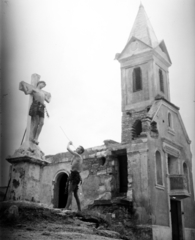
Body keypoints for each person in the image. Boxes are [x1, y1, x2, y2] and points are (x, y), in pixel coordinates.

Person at [64, 141, 85, 212]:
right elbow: (73, 164)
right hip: (75, 175)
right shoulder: (77, 156)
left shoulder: (78, 156)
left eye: (79, 148)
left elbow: (67, 148)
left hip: (74, 176)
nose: (77, 148)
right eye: (77, 147)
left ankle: (66, 208)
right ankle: (79, 210)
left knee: (70, 191)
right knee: (75, 194)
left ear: (80, 151)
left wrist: (69, 144)